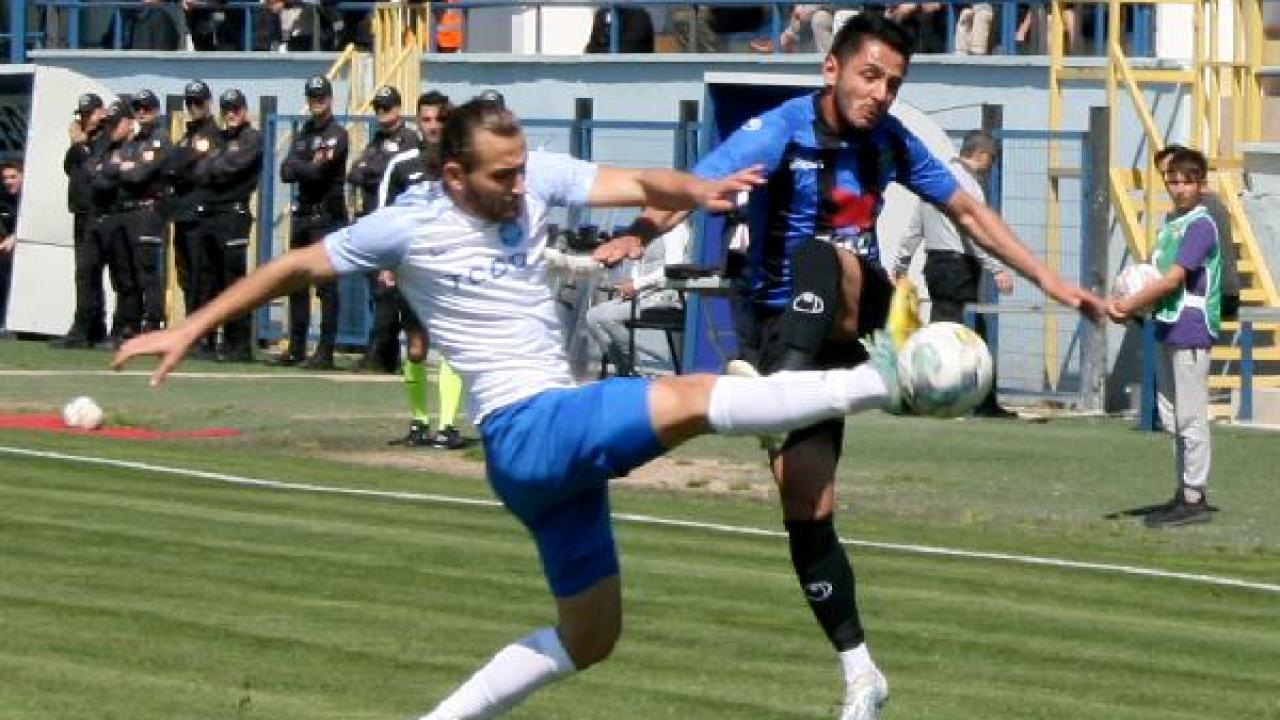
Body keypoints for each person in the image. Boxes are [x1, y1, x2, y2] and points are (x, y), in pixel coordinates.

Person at [113, 94, 968, 720]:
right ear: (455, 174)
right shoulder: (407, 225)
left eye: (524, 167)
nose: (521, 185)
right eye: (503, 174)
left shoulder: (533, 180)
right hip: (529, 430)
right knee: (700, 395)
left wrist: (695, 189)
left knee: (591, 638)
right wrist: (188, 327)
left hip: (540, 461)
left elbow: (631, 180)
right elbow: (293, 267)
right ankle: (886, 382)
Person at [601, 15, 1105, 719]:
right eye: (871, 76)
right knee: (806, 511)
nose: (881, 94)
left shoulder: (892, 141)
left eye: (893, 83)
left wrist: (1049, 280)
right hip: (779, 330)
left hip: (856, 303)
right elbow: (695, 185)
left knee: (823, 252)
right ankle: (861, 672)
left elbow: (968, 212)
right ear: (831, 70)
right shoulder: (781, 130)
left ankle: (780, 396)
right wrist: (636, 232)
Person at [1108, 147, 1219, 528]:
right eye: (1173, 181)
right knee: (1171, 416)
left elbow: (1173, 280)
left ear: (1201, 185)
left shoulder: (1201, 225)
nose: (1179, 188)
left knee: (1190, 416)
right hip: (1166, 325)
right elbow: (1152, 274)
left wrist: (1128, 304)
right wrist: (1128, 303)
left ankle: (1195, 497)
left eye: (1188, 182)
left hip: (1191, 327)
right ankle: (1183, 490)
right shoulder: (1170, 223)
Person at [892, 129, 1016, 418]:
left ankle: (925, 397)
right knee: (965, 336)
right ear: (981, 155)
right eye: (992, 159)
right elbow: (974, 235)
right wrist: (997, 268)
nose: (991, 167)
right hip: (958, 266)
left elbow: (914, 227)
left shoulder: (933, 178)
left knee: (940, 332)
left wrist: (901, 264)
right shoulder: (969, 188)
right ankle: (976, 402)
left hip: (935, 265)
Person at [378, 90, 467, 449]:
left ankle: (448, 426)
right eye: (426, 119)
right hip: (413, 269)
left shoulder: (463, 163)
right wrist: (387, 262)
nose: (433, 126)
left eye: (439, 119)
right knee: (416, 348)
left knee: (450, 345)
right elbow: (384, 215)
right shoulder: (402, 164)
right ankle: (419, 422)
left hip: (452, 268)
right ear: (417, 122)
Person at [275, 74, 348, 369]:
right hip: (304, 216)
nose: (317, 101)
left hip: (326, 216)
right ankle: (296, 346)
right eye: (312, 97)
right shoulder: (304, 131)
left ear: (330, 98)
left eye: (321, 96)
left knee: (326, 287)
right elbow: (285, 171)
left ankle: (325, 350)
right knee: (296, 282)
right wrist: (304, 164)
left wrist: (300, 164)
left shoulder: (337, 133)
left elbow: (318, 173)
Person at [347, 85, 422, 374]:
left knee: (391, 293)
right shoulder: (377, 139)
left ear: (398, 108)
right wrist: (372, 169)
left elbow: (390, 171)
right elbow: (356, 172)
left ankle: (383, 353)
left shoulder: (408, 139)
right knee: (378, 292)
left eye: (387, 107)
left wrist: (372, 169)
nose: (382, 113)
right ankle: (384, 353)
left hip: (397, 224)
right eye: (378, 107)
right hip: (373, 220)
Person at [193, 88, 263, 362]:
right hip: (211, 213)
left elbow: (232, 167)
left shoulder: (251, 137)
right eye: (226, 110)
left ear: (244, 110)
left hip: (233, 215)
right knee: (208, 279)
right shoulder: (219, 137)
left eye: (236, 109)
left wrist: (213, 163)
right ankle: (208, 340)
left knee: (233, 280)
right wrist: (214, 164)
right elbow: (198, 171)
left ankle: (238, 343)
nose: (231, 114)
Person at [164, 79, 224, 357]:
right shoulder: (187, 136)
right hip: (183, 214)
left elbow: (201, 173)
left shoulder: (214, 135)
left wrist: (183, 166)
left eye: (198, 102)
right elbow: (170, 167)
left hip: (201, 215)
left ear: (208, 103)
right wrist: (185, 163)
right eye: (190, 103)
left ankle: (205, 337)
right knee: (187, 278)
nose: (193, 107)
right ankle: (192, 333)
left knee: (204, 278)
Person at [585, 223, 689, 376]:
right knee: (592, 316)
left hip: (665, 297)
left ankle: (635, 372)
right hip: (641, 295)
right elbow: (637, 266)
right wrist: (628, 282)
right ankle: (623, 371)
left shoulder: (674, 228)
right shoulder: (645, 228)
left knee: (607, 317)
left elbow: (673, 268)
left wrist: (636, 285)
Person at [84, 100, 145, 345]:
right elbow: (91, 173)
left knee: (126, 276)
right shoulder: (105, 145)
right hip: (105, 215)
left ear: (129, 123)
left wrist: (106, 171)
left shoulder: (137, 146)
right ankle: (99, 327)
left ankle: (126, 327)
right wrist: (112, 168)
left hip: (126, 215)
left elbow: (132, 177)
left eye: (115, 123)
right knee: (96, 273)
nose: (110, 129)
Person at [1154, 144, 1240, 320]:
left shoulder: (1203, 211)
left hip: (1216, 294)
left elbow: (1179, 268)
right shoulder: (1184, 209)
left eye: (1172, 172)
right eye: (1164, 175)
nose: (1168, 180)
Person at [53, 92, 110, 348]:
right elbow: (69, 167)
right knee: (86, 272)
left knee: (89, 271)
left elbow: (94, 167)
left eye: (90, 114)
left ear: (100, 113)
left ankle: (85, 328)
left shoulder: (104, 138)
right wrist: (76, 144)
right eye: (83, 115)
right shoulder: (83, 141)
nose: (86, 119)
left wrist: (81, 144)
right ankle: (93, 326)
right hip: (81, 211)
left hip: (97, 212)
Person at [124, 89, 172, 334]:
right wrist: (130, 167)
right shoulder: (134, 141)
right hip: (133, 208)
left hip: (152, 208)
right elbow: (118, 170)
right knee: (130, 268)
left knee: (148, 269)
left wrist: (130, 167)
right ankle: (132, 321)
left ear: (156, 110)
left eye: (147, 108)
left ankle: (153, 321)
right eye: (137, 108)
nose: (142, 112)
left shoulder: (160, 139)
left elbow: (141, 173)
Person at [0, 160, 20, 336]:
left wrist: (16, 236)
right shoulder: (3, 199)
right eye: (5, 178)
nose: (8, 181)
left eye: (13, 177)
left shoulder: (29, 199)